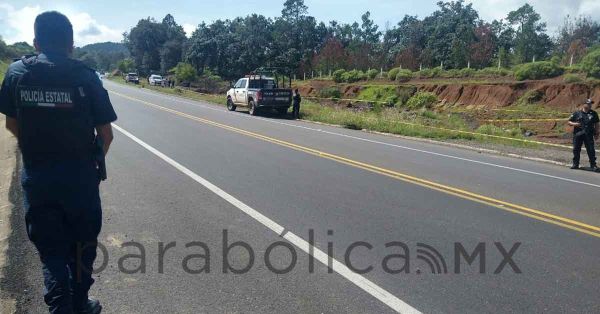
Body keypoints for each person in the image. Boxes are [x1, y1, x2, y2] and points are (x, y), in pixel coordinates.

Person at [0, 11, 117, 313]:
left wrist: (34, 148)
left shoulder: (16, 74)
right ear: (71, 44)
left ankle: (60, 306)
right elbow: (106, 134)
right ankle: (78, 304)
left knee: (51, 252)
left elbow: (11, 123)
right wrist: (90, 163)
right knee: (81, 250)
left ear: (36, 43)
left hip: (39, 180)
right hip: (80, 183)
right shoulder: (86, 76)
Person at [568, 99, 599, 171]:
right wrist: (575, 124)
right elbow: (569, 122)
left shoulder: (594, 113)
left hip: (589, 134)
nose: (590, 105)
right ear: (584, 104)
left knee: (591, 150)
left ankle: (593, 165)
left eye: (591, 104)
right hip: (578, 134)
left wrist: (597, 133)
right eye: (588, 104)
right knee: (576, 149)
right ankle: (575, 164)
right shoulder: (577, 113)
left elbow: (597, 124)